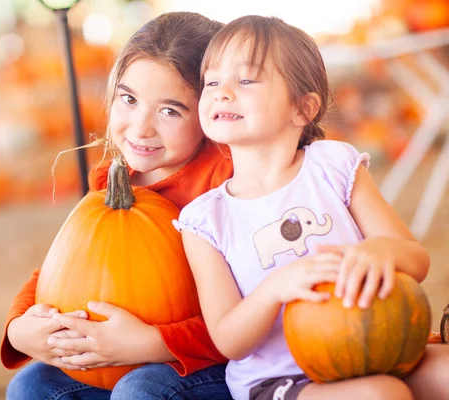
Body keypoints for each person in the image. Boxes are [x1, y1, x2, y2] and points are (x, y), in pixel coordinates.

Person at [175, 15, 449, 400]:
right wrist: (275, 289)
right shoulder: (205, 220)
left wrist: (379, 250)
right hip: (282, 380)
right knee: (381, 395)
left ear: (303, 108)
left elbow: (416, 261)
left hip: (380, 346)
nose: (222, 92)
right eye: (212, 82)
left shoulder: (332, 166)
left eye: (247, 80)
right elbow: (229, 341)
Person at [3, 12, 235, 400]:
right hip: (118, 360)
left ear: (210, 110)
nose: (140, 127)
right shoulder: (111, 179)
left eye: (170, 110)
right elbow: (65, 266)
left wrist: (151, 344)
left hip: (213, 366)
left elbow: (251, 315)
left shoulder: (224, 184)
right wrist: (20, 327)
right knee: (33, 385)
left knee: (138, 389)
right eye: (129, 99)